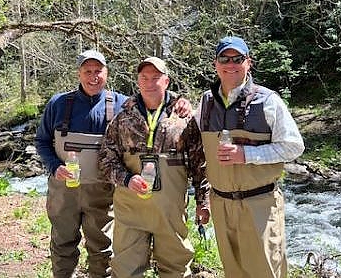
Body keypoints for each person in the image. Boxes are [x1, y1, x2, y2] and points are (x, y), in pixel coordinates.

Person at [35, 50, 192, 278]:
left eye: (98, 71)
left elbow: (153, 98)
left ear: (107, 73)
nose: (93, 77)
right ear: (79, 73)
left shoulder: (120, 104)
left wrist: (180, 101)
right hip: (64, 192)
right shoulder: (58, 103)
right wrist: (53, 166)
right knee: (62, 245)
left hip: (102, 192)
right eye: (87, 71)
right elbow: (41, 141)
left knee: (102, 249)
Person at [195, 36, 305, 278]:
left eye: (238, 59)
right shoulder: (205, 102)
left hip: (260, 205)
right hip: (221, 204)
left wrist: (247, 154)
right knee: (233, 272)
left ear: (248, 63)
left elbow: (294, 146)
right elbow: (196, 151)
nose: (231, 64)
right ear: (216, 64)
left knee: (264, 272)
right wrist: (202, 199)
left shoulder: (268, 100)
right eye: (225, 58)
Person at [98, 57, 210, 278]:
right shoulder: (122, 117)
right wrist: (126, 179)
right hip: (131, 209)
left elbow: (200, 163)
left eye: (156, 78)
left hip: (170, 211)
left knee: (176, 270)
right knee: (125, 270)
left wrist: (203, 201)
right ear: (138, 81)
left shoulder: (185, 118)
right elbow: (105, 158)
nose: (150, 83)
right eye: (144, 78)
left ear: (166, 81)